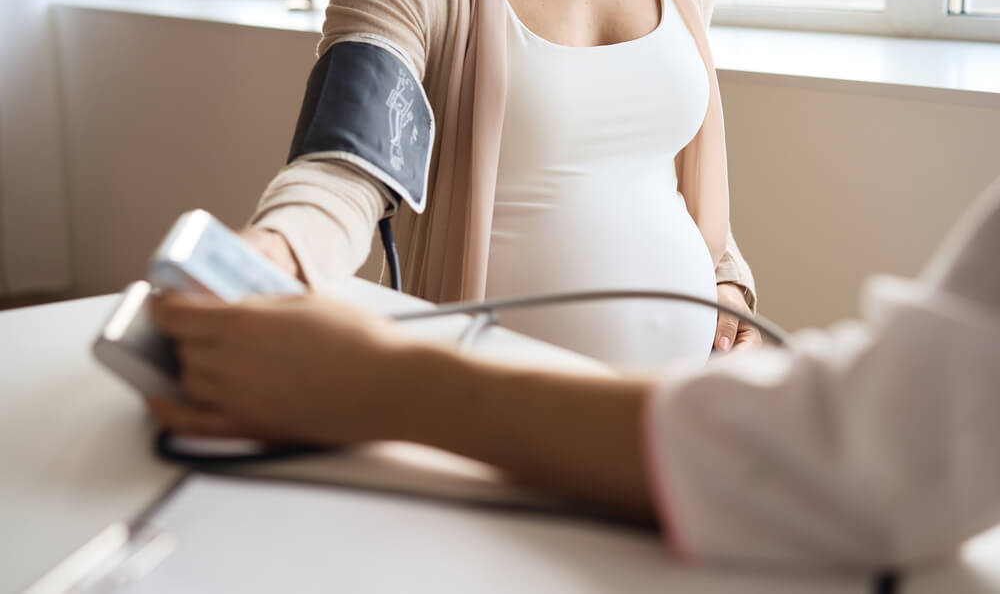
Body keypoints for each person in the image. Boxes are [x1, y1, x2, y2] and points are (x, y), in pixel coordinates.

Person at [149, 175, 1000, 569]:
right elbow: (351, 149)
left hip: (645, 425)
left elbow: (693, 171)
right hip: (512, 435)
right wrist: (278, 249)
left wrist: (728, 282)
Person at [240, 0, 762, 367]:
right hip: (490, 415)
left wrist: (725, 279)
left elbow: (662, 150)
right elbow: (346, 163)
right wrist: (274, 252)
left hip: (679, 412)